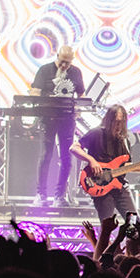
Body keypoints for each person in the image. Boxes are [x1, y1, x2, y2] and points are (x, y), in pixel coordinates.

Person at [72, 104, 140, 224]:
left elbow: (126, 167)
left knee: (135, 224)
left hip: (120, 186)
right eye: (116, 122)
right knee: (107, 226)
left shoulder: (124, 140)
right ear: (109, 120)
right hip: (101, 185)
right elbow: (74, 148)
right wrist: (91, 161)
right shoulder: (96, 133)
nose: (119, 126)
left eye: (122, 122)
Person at [31, 46, 84, 204]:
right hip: (48, 118)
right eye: (62, 62)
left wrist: (79, 107)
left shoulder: (76, 72)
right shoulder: (45, 70)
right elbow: (35, 91)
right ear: (57, 56)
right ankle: (41, 194)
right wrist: (39, 101)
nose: (64, 66)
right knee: (45, 155)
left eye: (67, 63)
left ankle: (59, 195)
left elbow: (81, 94)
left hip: (67, 119)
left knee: (67, 158)